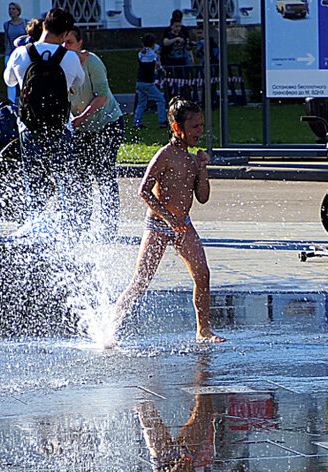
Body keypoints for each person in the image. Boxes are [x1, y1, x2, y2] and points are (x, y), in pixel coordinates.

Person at [113, 98, 224, 344]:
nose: (200, 132)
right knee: (140, 282)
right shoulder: (164, 155)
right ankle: (110, 328)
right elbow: (143, 191)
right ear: (177, 128)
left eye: (201, 125)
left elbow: (202, 198)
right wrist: (168, 217)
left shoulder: (193, 159)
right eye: (194, 127)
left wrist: (203, 168)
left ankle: (203, 330)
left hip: (182, 224)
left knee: (202, 274)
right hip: (159, 225)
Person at [2, 7, 84, 214]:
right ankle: (67, 223)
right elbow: (78, 84)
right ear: (65, 34)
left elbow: (9, 80)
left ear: (44, 25)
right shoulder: (71, 57)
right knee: (65, 176)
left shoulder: (21, 53)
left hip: (29, 125)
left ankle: (36, 222)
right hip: (60, 125)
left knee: (33, 177)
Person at [64, 27, 125, 237]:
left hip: (107, 124)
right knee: (80, 176)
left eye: (69, 42)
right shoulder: (59, 64)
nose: (65, 47)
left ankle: (109, 228)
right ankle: (82, 225)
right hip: (80, 127)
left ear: (80, 43)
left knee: (104, 173)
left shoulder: (92, 62)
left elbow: (102, 96)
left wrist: (80, 118)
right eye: (62, 42)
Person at [135, 33, 168, 129]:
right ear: (153, 44)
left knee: (141, 103)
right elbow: (157, 65)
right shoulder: (153, 55)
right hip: (148, 82)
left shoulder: (141, 53)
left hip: (139, 81)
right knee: (161, 100)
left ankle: (137, 122)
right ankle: (162, 120)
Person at [4, 2, 27, 103]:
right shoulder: (7, 25)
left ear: (18, 11)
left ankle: (25, 99)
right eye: (10, 9)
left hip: (24, 54)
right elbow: (6, 40)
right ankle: (11, 101)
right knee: (10, 79)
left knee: (24, 78)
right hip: (11, 53)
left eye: (13, 9)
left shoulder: (25, 23)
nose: (11, 11)